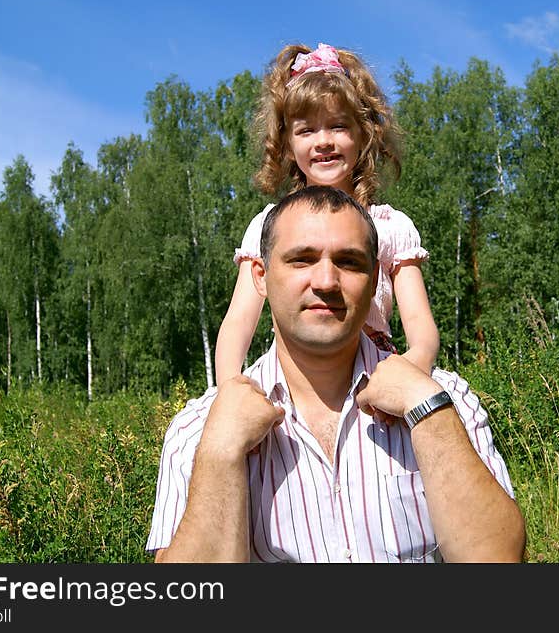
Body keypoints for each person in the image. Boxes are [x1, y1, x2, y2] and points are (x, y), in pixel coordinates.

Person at [147, 186, 526, 563]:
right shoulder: (199, 429)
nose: (326, 281)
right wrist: (220, 454)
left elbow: (499, 559)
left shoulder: (445, 400)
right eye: (301, 260)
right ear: (260, 276)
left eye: (349, 261)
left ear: (375, 276)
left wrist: (429, 412)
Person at [214, 42, 440, 384]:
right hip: (296, 379)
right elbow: (237, 324)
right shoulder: (267, 227)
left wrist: (408, 377)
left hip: (375, 379)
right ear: (287, 143)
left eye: (338, 126)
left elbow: (421, 331)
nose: (323, 141)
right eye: (306, 130)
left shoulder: (390, 227)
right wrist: (229, 388)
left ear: (363, 135)